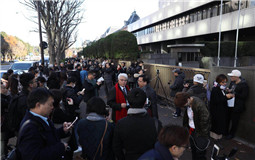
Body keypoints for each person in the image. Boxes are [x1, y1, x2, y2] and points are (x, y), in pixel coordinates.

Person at [17, 88, 72, 160]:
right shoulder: (30, 128)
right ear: (38, 105)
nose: (52, 107)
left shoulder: (42, 117)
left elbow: (47, 137)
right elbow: (33, 156)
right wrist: (60, 148)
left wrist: (62, 130)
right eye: (50, 104)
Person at [113, 88, 162, 160]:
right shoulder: (156, 123)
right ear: (145, 102)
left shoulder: (120, 123)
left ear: (128, 102)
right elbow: (161, 146)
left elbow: (116, 147)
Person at [174, 92, 210, 160]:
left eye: (184, 104)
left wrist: (202, 135)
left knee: (200, 152)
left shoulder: (199, 105)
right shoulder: (189, 104)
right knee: (194, 149)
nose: (184, 106)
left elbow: (205, 121)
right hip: (191, 129)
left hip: (199, 132)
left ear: (188, 99)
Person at [226, 70, 249, 140]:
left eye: (232, 76)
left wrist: (234, 94)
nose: (230, 77)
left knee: (235, 121)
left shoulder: (244, 85)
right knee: (227, 118)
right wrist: (229, 90)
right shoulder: (232, 82)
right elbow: (231, 90)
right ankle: (226, 132)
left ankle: (231, 134)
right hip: (230, 104)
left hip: (237, 106)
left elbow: (244, 96)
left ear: (236, 77)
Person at [210, 74, 232, 140]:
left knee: (220, 124)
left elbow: (222, 99)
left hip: (222, 110)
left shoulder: (222, 89)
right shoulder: (215, 89)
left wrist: (228, 97)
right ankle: (214, 138)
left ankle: (219, 137)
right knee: (216, 124)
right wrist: (226, 97)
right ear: (218, 81)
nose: (225, 83)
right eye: (223, 82)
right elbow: (217, 100)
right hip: (216, 111)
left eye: (225, 82)